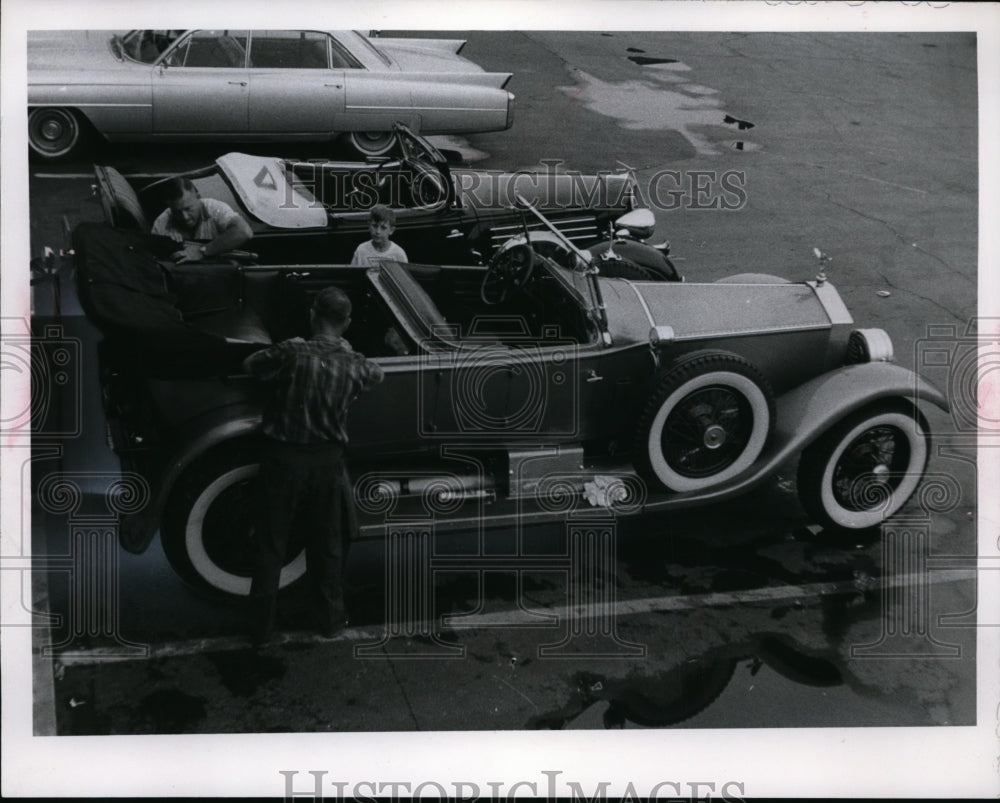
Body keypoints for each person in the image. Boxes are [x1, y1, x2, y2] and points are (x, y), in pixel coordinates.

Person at [242, 287, 384, 645]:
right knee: (327, 545)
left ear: (312, 314)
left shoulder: (292, 350)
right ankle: (330, 621)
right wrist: (348, 352)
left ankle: (259, 628)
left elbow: (251, 366)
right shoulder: (354, 363)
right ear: (347, 322)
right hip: (326, 463)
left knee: (271, 543)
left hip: (282, 458)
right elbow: (377, 375)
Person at [151, 177, 253, 263]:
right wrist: (168, 247)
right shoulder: (161, 223)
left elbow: (244, 232)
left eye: (188, 209)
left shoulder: (215, 208)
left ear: (198, 197)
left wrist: (203, 251)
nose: (185, 217)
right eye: (177, 212)